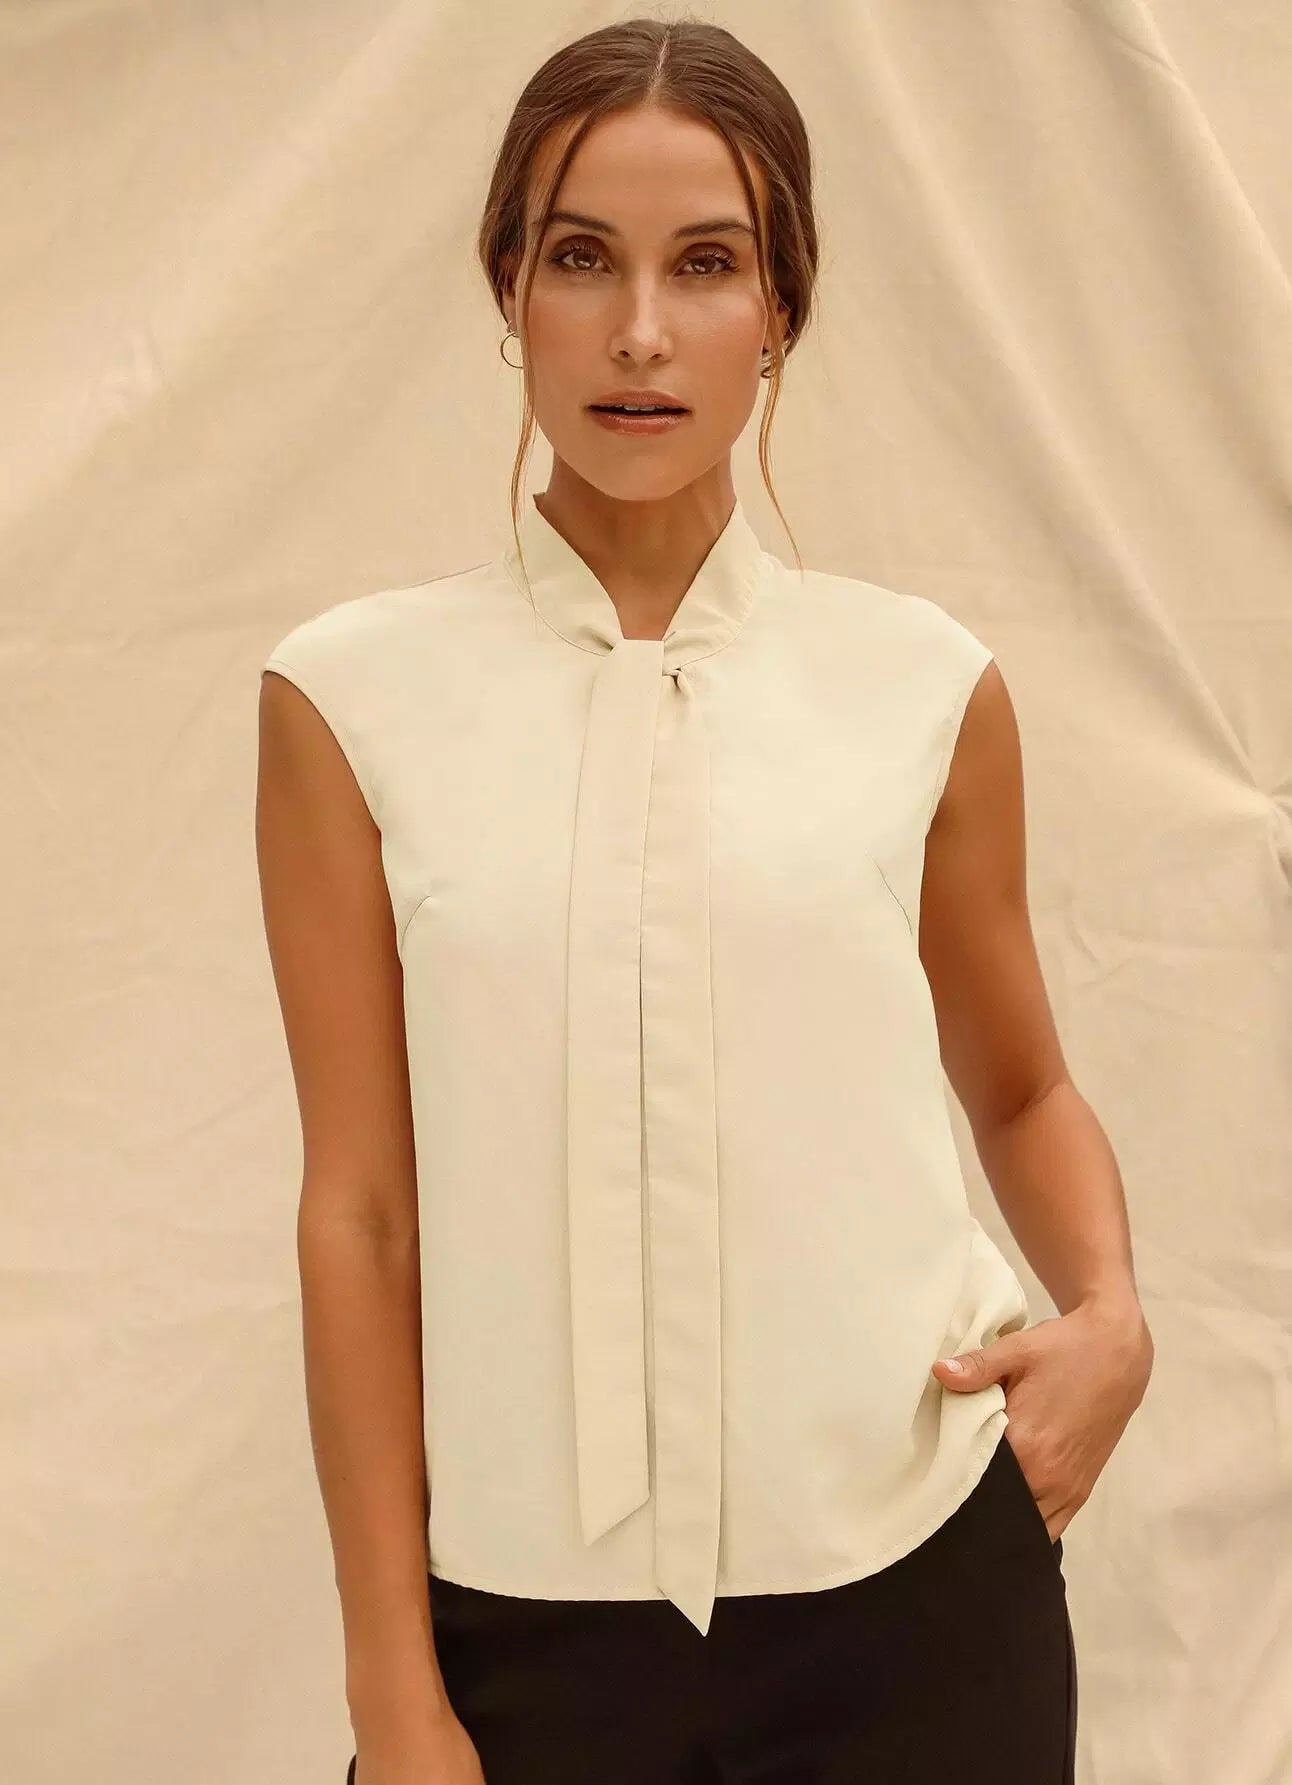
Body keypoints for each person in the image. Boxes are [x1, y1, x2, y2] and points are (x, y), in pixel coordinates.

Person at [256, 17, 1153, 1785]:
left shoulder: (925, 685)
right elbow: (358, 1213)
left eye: (708, 264)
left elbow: (1024, 1083)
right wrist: (389, 1691)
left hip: (920, 1608)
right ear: (509, 290)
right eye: (583, 257)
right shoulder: (347, 702)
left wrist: (1110, 1313)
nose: (643, 331)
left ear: (781, 310)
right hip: (512, 1637)